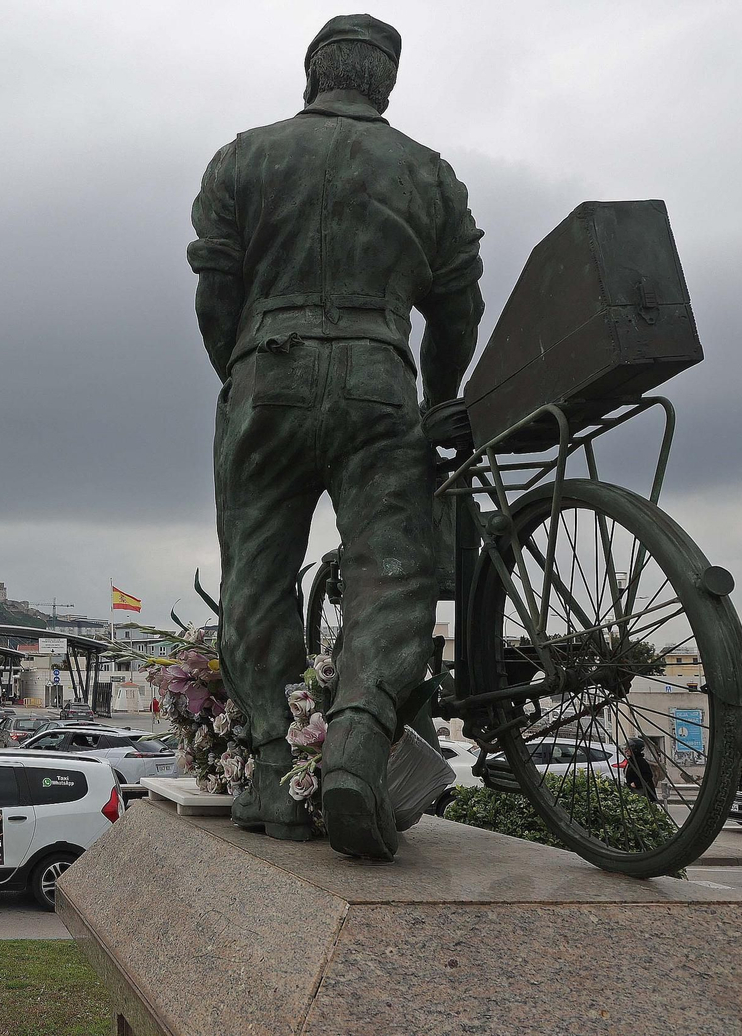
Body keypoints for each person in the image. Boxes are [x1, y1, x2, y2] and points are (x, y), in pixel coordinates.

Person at [188, 13, 483, 860]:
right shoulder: (428, 174)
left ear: (313, 76)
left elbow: (216, 295)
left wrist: (242, 373)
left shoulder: (243, 154)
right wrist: (441, 396)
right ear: (383, 84)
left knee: (256, 575)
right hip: (380, 377)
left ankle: (281, 772)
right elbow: (458, 311)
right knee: (392, 568)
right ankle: (354, 744)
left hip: (263, 376)